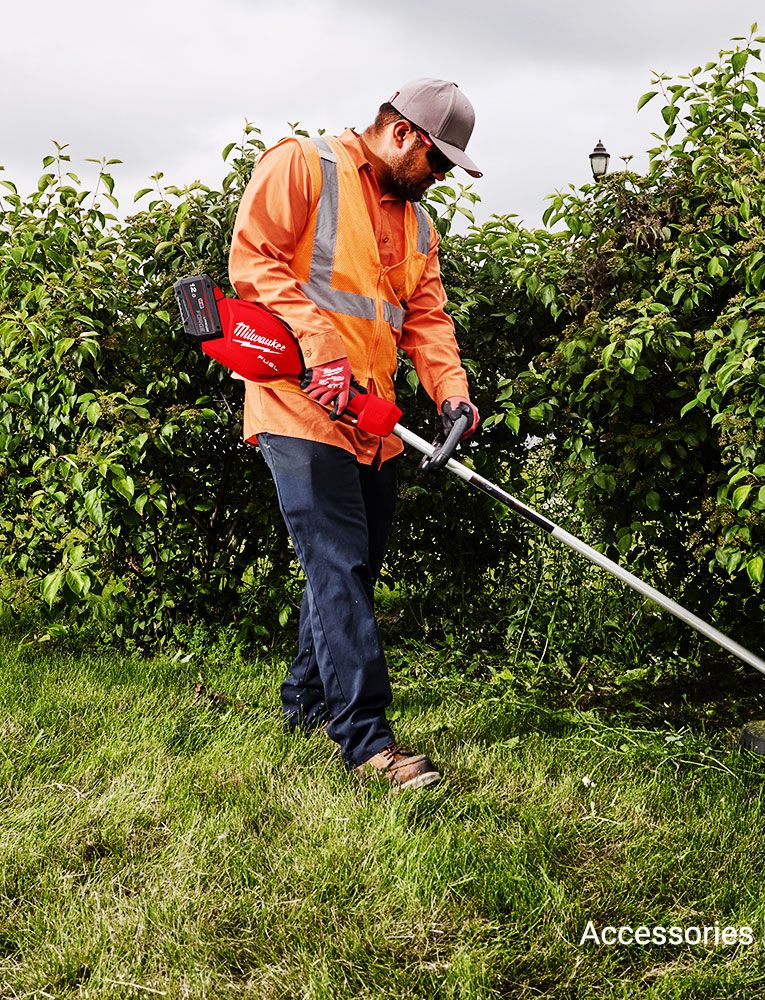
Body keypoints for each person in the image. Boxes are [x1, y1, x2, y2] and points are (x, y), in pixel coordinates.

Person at [228, 79, 482, 790]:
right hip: (300, 407)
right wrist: (319, 346)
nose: (440, 181)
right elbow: (253, 264)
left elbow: (427, 320)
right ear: (403, 134)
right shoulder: (302, 165)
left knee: (353, 566)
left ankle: (306, 702)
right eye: (438, 164)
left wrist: (452, 397)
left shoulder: (419, 225)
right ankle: (367, 743)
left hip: (374, 420)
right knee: (338, 563)